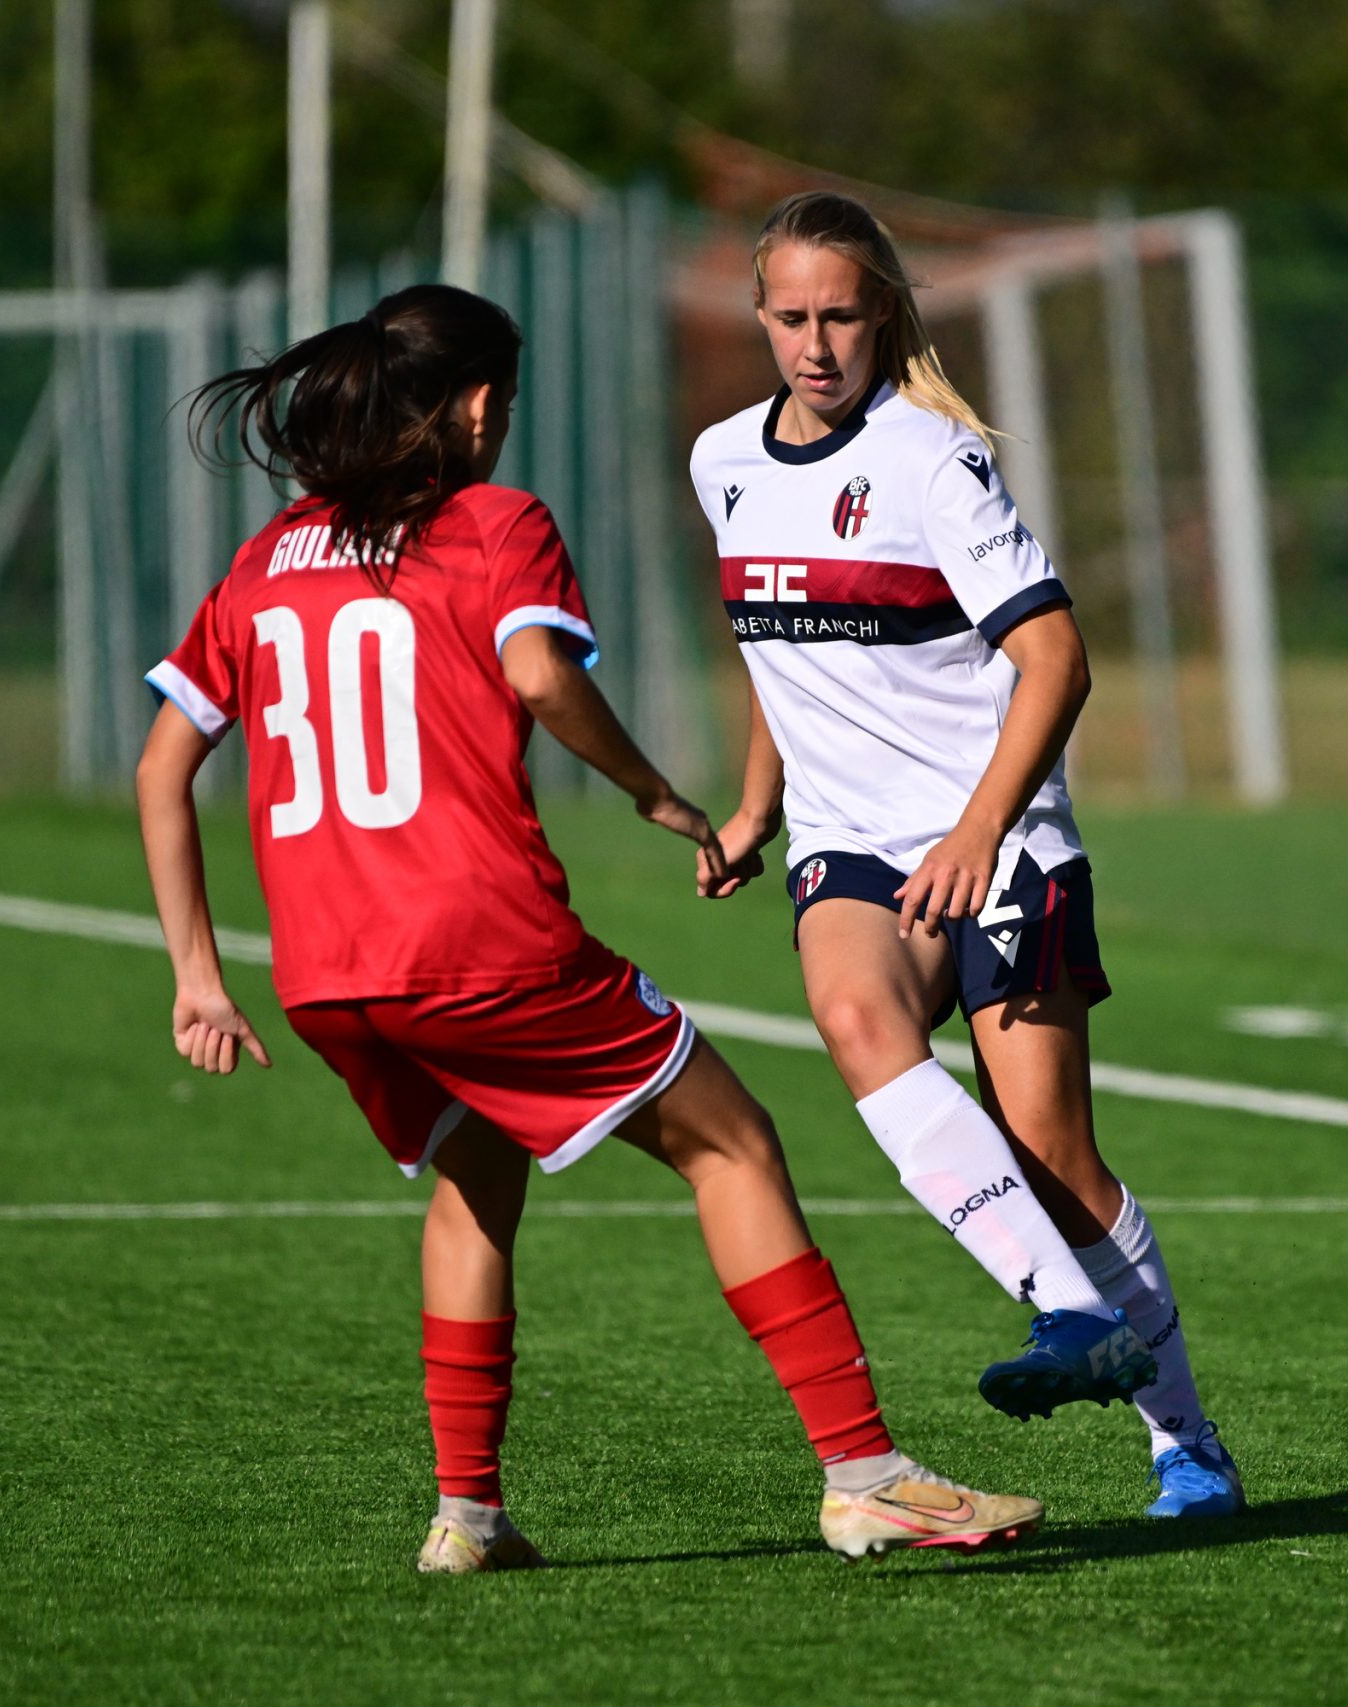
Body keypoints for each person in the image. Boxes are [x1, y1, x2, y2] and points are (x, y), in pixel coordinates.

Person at [134, 283, 1040, 1572]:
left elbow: (163, 765)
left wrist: (194, 975)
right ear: (481, 403)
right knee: (733, 1144)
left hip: (327, 976)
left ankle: (467, 1516)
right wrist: (656, 793)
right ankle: (866, 1474)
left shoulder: (270, 554)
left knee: (475, 1179)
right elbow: (541, 673)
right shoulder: (494, 522)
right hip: (480, 947)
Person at [684, 190, 1242, 1521]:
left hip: (996, 834)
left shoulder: (934, 457)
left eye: (841, 316)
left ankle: (1187, 1441)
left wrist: (981, 826)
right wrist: (758, 803)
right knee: (851, 1007)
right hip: (850, 845)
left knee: (1053, 1153)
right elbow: (777, 637)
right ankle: (1062, 1308)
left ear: (884, 315)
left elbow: (1055, 655)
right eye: (791, 316)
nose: (816, 343)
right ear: (757, 314)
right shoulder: (722, 461)